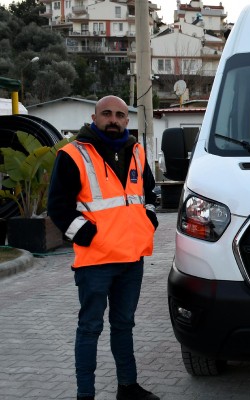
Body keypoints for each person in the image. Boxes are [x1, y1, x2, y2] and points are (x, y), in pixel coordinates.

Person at [47, 95, 160, 400]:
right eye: (107, 114)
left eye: (120, 115)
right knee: (90, 328)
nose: (114, 120)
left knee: (124, 325)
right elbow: (57, 206)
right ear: (94, 117)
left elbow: (148, 194)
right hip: (96, 260)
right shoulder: (73, 154)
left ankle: (128, 387)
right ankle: (86, 394)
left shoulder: (136, 151)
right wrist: (85, 235)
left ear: (127, 120)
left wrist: (149, 219)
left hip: (132, 258)